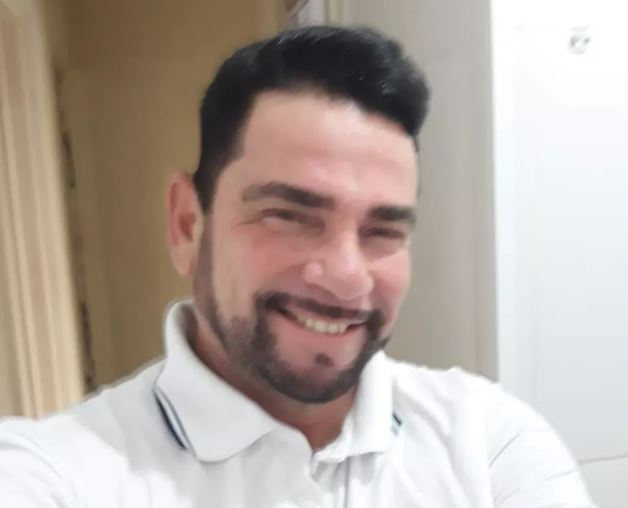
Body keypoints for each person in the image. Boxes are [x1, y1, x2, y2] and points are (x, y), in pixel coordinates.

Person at [0, 25, 595, 507]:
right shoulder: (56, 473)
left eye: (384, 230)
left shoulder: (485, 441)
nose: (346, 276)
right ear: (187, 225)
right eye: (289, 215)